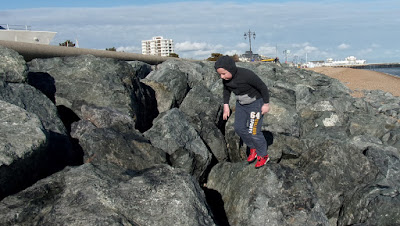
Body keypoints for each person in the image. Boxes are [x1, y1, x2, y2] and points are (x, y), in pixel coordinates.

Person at [215, 55, 271, 168]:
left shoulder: (246, 75)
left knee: (254, 131)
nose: (222, 77)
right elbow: (226, 91)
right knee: (239, 128)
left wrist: (266, 104)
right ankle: (253, 147)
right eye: (219, 74)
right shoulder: (226, 80)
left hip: (255, 104)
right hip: (241, 105)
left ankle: (263, 155)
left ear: (230, 69)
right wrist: (226, 105)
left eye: (223, 73)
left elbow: (262, 87)